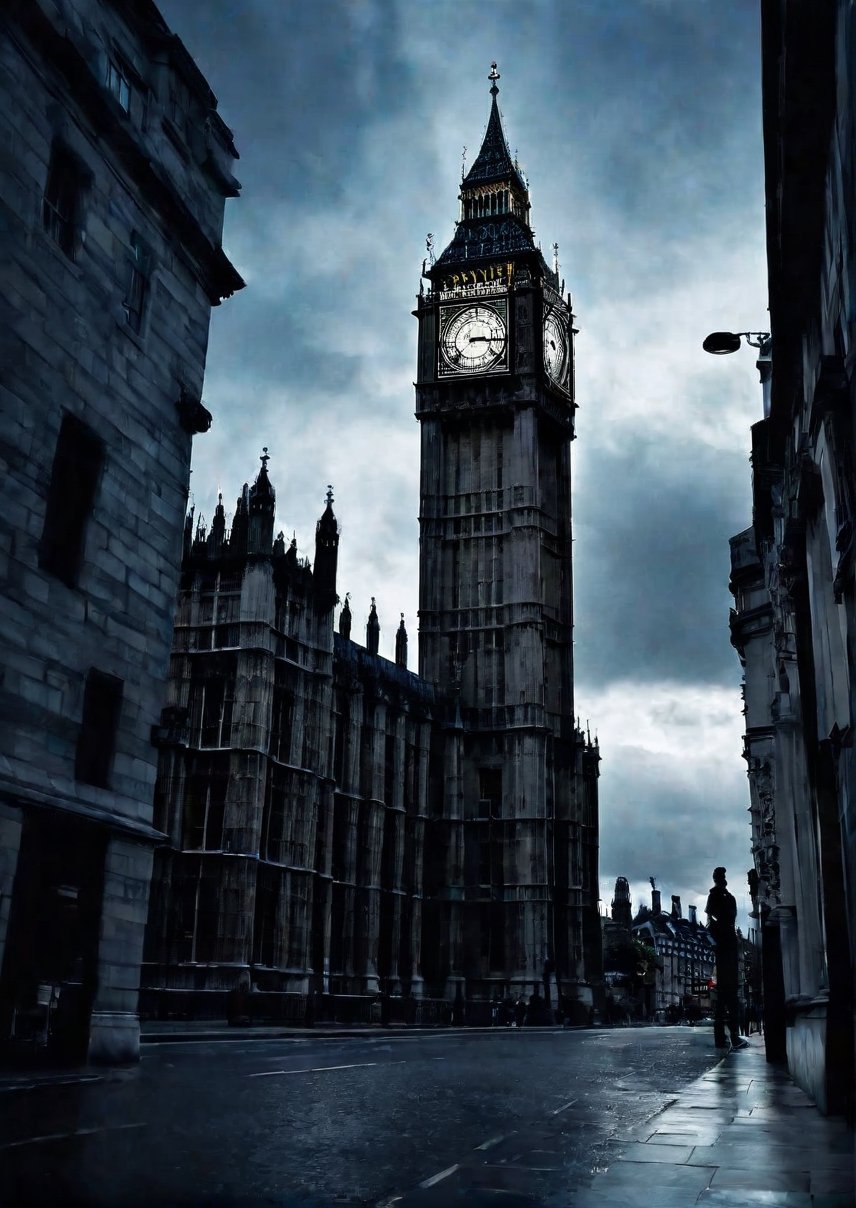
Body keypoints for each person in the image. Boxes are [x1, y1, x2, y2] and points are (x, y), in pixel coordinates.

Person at [705, 867, 748, 1050]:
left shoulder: (728, 897)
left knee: (728, 995)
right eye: (719, 877)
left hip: (728, 944)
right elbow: (710, 921)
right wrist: (716, 939)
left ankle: (729, 1037)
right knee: (725, 995)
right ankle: (726, 1038)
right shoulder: (716, 896)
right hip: (724, 945)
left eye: (722, 876)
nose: (722, 879)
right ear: (716, 879)